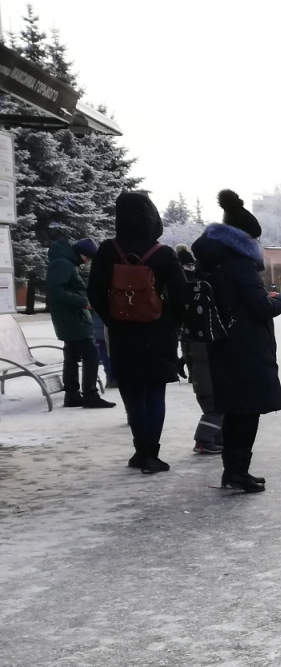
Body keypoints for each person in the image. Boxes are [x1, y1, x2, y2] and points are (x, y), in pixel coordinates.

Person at [193, 190, 281, 493]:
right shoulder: (240, 264)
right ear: (246, 240)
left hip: (223, 344)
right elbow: (260, 307)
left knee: (236, 411)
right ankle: (237, 472)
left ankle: (233, 471)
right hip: (245, 348)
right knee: (247, 412)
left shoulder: (212, 261)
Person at [86, 193, 191, 471]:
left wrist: (113, 319)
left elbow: (95, 292)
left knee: (131, 391)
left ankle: (139, 451)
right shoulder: (164, 253)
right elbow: (181, 296)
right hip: (158, 333)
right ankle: (152, 454)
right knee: (155, 392)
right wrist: (171, 322)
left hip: (123, 333)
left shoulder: (108, 251)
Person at [46, 236, 114, 409]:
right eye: (89, 258)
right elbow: (55, 291)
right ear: (83, 254)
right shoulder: (63, 264)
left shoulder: (67, 263)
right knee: (91, 355)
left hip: (71, 317)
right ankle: (90, 395)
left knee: (71, 356)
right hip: (73, 318)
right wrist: (82, 302)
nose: (88, 262)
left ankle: (72, 395)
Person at [173, 244, 222, 454]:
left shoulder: (189, 295)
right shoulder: (208, 290)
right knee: (217, 406)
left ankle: (217, 439)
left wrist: (185, 358)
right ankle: (204, 440)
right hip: (207, 362)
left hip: (195, 360)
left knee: (210, 401)